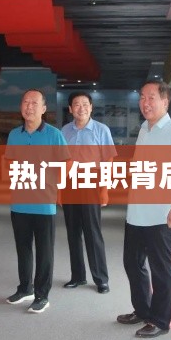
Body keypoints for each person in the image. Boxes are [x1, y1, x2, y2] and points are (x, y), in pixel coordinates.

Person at [116, 80, 171, 338]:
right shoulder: (144, 129)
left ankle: (159, 320)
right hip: (137, 212)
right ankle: (143, 310)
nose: (145, 103)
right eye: (142, 97)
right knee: (132, 263)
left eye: (151, 98)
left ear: (165, 102)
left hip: (160, 213)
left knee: (160, 268)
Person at [5, 89, 69, 313]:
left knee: (44, 252)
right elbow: (9, 163)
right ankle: (25, 288)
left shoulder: (54, 135)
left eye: (34, 103)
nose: (29, 107)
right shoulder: (14, 135)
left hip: (44, 203)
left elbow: (66, 163)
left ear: (43, 109)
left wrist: (58, 187)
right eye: (25, 102)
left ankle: (42, 295)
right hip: (19, 202)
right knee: (23, 248)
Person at [60, 91, 116, 294]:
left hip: (91, 184)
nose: (81, 108)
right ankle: (78, 276)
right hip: (69, 185)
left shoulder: (101, 130)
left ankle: (101, 279)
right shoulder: (65, 131)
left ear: (91, 107)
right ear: (70, 109)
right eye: (76, 104)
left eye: (85, 104)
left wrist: (105, 190)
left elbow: (108, 160)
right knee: (73, 233)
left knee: (93, 232)